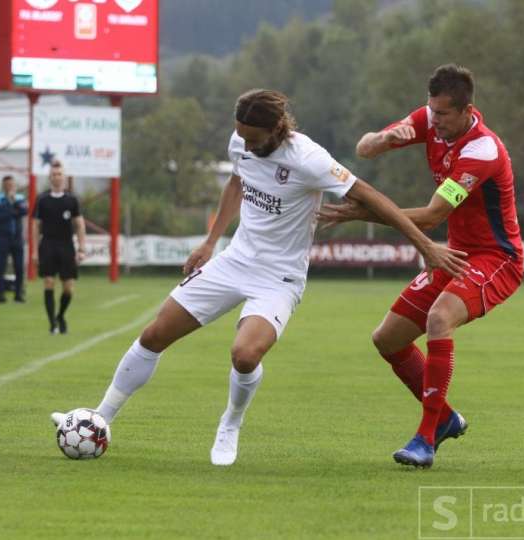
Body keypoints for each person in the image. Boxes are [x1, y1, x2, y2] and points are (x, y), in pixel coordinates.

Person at [52, 88, 467, 466]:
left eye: (253, 139)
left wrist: (424, 245)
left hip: (279, 277)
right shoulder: (242, 142)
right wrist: (210, 241)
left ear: (276, 129)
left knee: (244, 355)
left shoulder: (308, 158)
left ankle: (230, 422)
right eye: (241, 138)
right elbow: (237, 180)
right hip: (234, 259)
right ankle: (100, 418)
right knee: (155, 334)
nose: (245, 145)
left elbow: (374, 197)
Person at [318, 64, 524, 468]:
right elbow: (364, 149)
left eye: (443, 115)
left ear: (468, 110)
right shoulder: (429, 119)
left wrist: (362, 213)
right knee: (387, 339)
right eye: (431, 112)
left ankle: (425, 439)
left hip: (497, 259)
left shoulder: (481, 151)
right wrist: (382, 139)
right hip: (452, 253)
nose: (435, 121)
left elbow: (431, 217)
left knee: (439, 318)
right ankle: (446, 418)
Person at [33, 160, 86, 334]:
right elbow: (35, 226)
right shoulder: (42, 200)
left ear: (64, 177)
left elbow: (79, 224)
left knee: (68, 287)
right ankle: (52, 324)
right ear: (50, 177)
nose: (57, 177)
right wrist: (34, 251)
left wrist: (81, 248)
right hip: (47, 244)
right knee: (48, 282)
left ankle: (60, 316)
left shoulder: (71, 200)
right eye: (54, 174)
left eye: (60, 174)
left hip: (66, 245)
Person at [0, 175, 28, 303]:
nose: (9, 187)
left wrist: (12, 205)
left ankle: (18, 294)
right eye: (7, 185)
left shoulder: (20, 198)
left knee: (19, 267)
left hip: (17, 238)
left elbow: (24, 211)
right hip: (3, 237)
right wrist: (12, 209)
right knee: (1, 266)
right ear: (3, 186)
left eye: (11, 184)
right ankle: (0, 295)